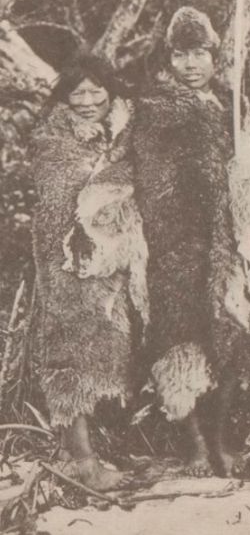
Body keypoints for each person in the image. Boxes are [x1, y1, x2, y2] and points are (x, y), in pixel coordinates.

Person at [128, 7, 250, 476]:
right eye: (181, 54)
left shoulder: (231, 106)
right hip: (173, 246)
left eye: (200, 53)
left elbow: (249, 168)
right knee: (180, 345)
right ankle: (195, 444)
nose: (191, 65)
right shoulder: (156, 109)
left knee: (228, 337)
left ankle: (221, 438)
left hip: (225, 244)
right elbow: (148, 177)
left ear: (214, 56)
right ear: (168, 59)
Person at [31, 54, 144, 490]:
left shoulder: (122, 135)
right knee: (69, 357)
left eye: (96, 90)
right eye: (76, 91)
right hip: (69, 263)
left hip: (112, 262)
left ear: (111, 92)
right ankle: (82, 461)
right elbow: (62, 201)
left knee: (102, 352)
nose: (87, 99)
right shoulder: (53, 139)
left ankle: (77, 452)